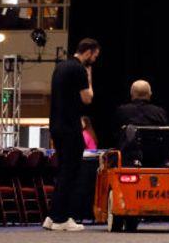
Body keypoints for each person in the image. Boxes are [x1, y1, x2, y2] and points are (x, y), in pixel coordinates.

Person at [45, 38, 100, 231]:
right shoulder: (79, 69)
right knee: (71, 172)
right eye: (94, 56)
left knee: (63, 171)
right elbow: (87, 98)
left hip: (57, 126)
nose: (94, 59)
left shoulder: (61, 66)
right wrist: (89, 76)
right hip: (70, 127)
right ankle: (62, 219)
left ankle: (52, 216)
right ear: (88, 52)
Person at [113, 80, 169, 147]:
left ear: (131, 94)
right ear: (150, 94)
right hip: (155, 156)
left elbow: (115, 137)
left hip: (128, 156)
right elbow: (167, 138)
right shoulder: (159, 113)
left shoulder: (122, 111)